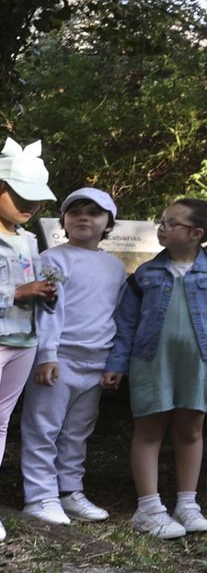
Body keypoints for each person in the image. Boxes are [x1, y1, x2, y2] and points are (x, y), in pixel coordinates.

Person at [108, 196, 207, 538]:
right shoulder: (146, 273)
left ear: (195, 233)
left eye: (171, 223)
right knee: (149, 431)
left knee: (190, 430)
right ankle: (149, 508)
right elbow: (126, 323)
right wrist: (116, 363)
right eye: (163, 221)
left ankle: (187, 503)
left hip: (201, 362)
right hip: (151, 362)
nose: (163, 228)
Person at [20, 185, 127, 527]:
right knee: (43, 428)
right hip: (58, 360)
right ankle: (40, 496)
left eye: (93, 213)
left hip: (96, 363)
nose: (84, 217)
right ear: (63, 221)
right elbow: (48, 310)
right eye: (76, 212)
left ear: (108, 224)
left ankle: (69, 491)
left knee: (77, 431)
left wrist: (114, 362)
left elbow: (118, 316)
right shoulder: (52, 259)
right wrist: (47, 355)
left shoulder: (114, 267)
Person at [0, 140, 59, 541]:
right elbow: (17, 289)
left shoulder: (29, 239)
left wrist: (45, 294)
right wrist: (19, 293)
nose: (31, 206)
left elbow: (36, 288)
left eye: (37, 200)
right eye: (22, 196)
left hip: (24, 341)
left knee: (2, 423)